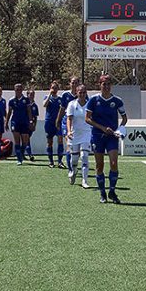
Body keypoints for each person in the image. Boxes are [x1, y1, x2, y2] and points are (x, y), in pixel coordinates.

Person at [85, 74, 127, 204]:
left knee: (114, 163)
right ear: (100, 85)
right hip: (97, 136)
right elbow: (87, 118)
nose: (106, 87)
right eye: (104, 84)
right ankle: (102, 193)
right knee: (99, 165)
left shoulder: (117, 101)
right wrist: (102, 128)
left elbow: (124, 118)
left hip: (111, 137)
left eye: (109, 84)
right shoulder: (93, 100)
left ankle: (112, 191)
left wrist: (120, 129)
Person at [67, 84, 92, 188]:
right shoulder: (72, 104)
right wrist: (69, 131)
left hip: (86, 133)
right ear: (76, 93)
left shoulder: (89, 105)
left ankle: (84, 180)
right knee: (74, 159)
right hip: (75, 134)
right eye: (80, 92)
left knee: (84, 156)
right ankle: (73, 171)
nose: (82, 94)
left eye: (84, 92)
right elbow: (69, 119)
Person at [5, 83, 34, 166]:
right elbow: (9, 112)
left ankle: (21, 154)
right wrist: (6, 122)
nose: (18, 91)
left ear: (22, 90)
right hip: (15, 122)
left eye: (20, 89)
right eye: (17, 89)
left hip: (24, 122)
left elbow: (29, 111)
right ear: (14, 90)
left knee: (24, 142)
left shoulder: (26, 100)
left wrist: (31, 121)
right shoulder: (11, 101)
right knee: (17, 141)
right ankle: (19, 159)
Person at [56, 76, 80, 171]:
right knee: (69, 144)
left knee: (76, 147)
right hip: (67, 121)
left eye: (76, 82)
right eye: (73, 82)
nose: (74, 84)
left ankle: (73, 164)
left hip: (78, 122)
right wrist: (58, 120)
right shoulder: (65, 95)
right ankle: (71, 170)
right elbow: (62, 109)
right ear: (70, 83)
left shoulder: (82, 94)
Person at [43, 81, 64, 168]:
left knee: (60, 140)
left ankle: (60, 161)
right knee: (49, 142)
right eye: (52, 88)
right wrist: (49, 95)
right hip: (49, 122)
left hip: (58, 122)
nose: (54, 90)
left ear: (58, 89)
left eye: (55, 88)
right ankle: (51, 161)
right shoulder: (47, 97)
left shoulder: (60, 99)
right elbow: (44, 105)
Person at [25, 88, 39, 161]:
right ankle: (30, 155)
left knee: (26, 140)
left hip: (31, 125)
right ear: (27, 95)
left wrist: (34, 125)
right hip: (24, 124)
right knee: (27, 139)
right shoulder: (24, 104)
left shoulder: (35, 106)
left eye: (33, 94)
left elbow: (36, 117)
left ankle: (22, 154)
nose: (32, 96)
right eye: (30, 94)